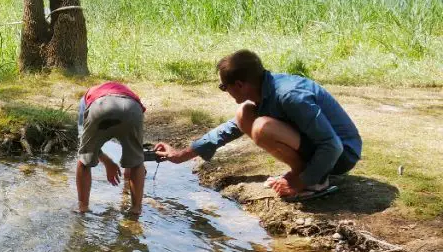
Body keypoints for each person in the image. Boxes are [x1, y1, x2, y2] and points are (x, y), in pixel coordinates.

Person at [155, 50, 362, 201]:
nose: (224, 91)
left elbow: (333, 145)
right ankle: (302, 172)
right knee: (244, 114)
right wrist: (183, 154)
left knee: (263, 127)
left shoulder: (290, 96)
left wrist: (301, 182)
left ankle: (316, 182)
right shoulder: (263, 91)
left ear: (239, 85)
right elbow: (231, 128)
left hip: (341, 156)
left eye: (222, 87)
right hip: (322, 148)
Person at [75, 81, 147, 216]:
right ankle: (136, 210)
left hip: (100, 107)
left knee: (84, 161)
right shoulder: (129, 93)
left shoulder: (86, 98)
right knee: (137, 163)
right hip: (132, 109)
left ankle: (83, 208)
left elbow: (83, 143)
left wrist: (107, 163)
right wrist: (130, 167)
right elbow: (134, 154)